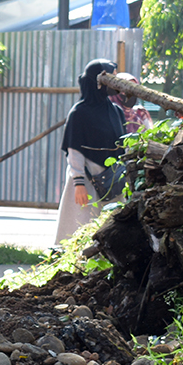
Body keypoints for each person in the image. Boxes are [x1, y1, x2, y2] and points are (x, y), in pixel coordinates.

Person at [56, 58, 127, 243]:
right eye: (110, 78)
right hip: (86, 180)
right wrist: (78, 183)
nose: (115, 82)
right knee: (79, 228)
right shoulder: (79, 113)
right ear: (98, 81)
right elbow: (74, 150)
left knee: (110, 230)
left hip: (113, 181)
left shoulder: (116, 111)